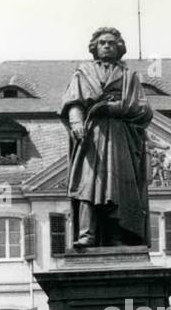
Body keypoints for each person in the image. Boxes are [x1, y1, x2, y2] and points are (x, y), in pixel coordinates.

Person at [61, 25, 153, 248]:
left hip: (121, 137)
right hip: (91, 135)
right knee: (88, 184)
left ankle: (117, 236)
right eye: (102, 43)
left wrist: (113, 108)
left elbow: (143, 109)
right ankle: (87, 234)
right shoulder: (83, 72)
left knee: (118, 187)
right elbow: (74, 101)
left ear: (119, 47)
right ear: (95, 47)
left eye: (111, 43)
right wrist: (76, 122)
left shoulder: (129, 76)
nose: (107, 46)